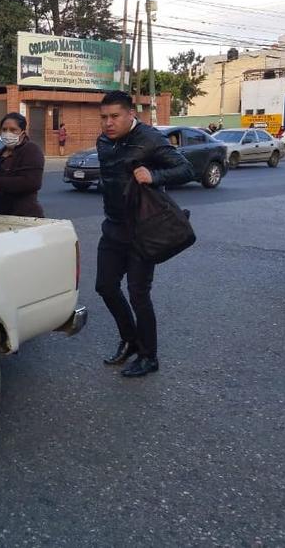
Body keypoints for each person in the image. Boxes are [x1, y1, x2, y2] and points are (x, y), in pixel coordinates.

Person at [95, 91, 194, 377]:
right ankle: (130, 341)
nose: (108, 123)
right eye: (104, 117)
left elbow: (185, 169)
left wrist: (155, 176)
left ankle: (149, 356)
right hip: (113, 226)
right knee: (105, 286)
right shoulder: (103, 141)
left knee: (139, 294)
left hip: (143, 230)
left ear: (131, 115)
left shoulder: (150, 139)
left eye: (114, 117)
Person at [0, 113, 45, 218]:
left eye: (13, 130)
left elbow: (32, 182)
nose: (8, 133)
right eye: (4, 130)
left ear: (22, 133)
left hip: (23, 215)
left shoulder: (31, 150)